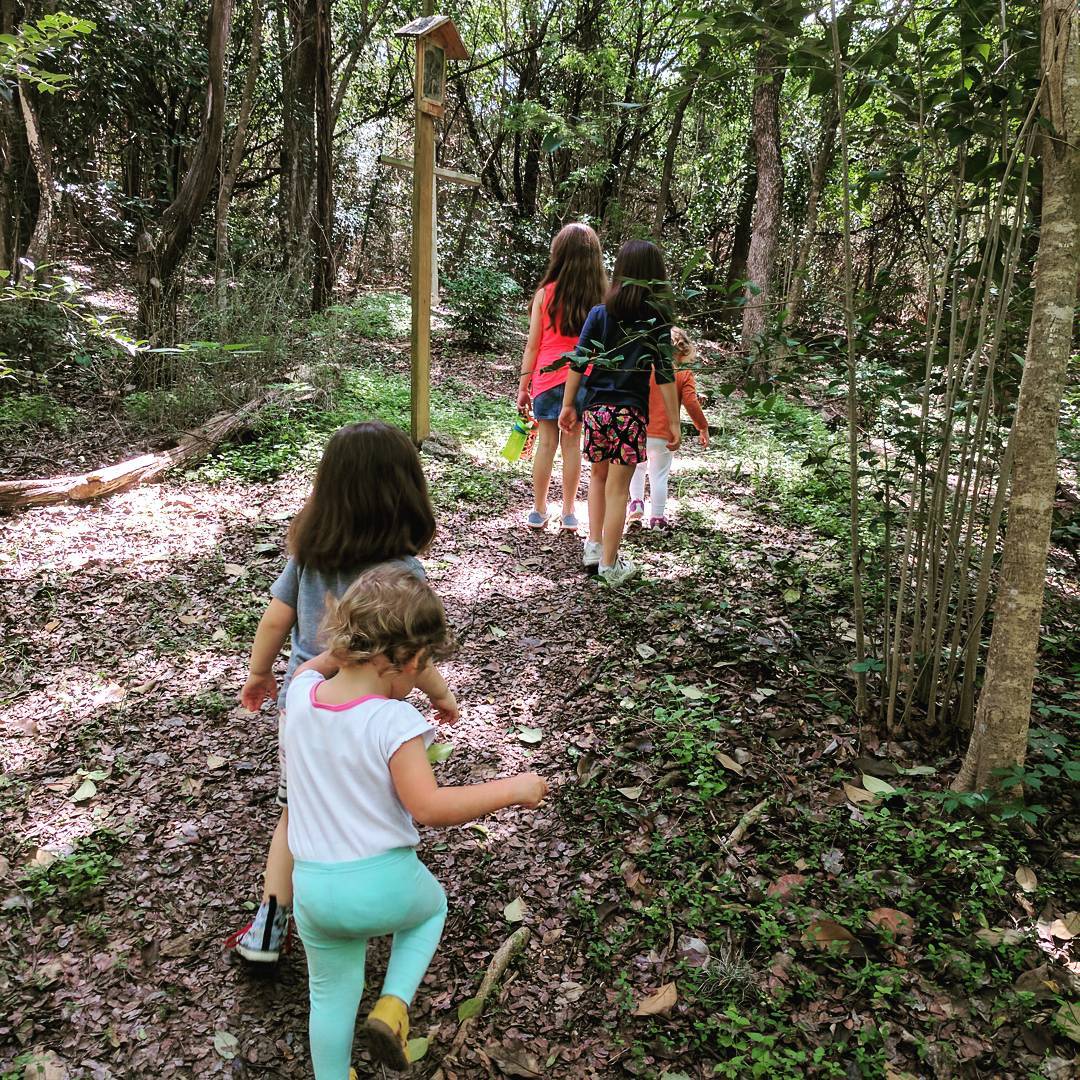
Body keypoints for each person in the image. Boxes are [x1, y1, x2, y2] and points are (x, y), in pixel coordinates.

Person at [285, 566, 548, 1076]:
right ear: (400, 660)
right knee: (430, 911)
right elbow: (428, 808)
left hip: (312, 888)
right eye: (420, 666)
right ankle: (394, 1005)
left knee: (331, 995)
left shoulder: (301, 694)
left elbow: (312, 668)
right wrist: (512, 790)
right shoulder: (394, 721)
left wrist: (349, 642)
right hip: (379, 880)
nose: (420, 677)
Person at [224, 421, 459, 965]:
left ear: (328, 489)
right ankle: (368, 890)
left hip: (305, 710)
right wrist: (441, 696)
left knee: (298, 813)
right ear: (405, 492)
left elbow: (276, 618)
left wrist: (260, 673)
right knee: (370, 802)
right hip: (368, 721)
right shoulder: (402, 571)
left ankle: (268, 926)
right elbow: (409, 655)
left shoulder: (310, 555)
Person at [558, 239, 681, 585]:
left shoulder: (600, 314)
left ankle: (593, 547)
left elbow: (578, 362)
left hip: (596, 410)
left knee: (597, 479)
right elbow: (666, 374)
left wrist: (569, 404)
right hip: (630, 414)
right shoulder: (656, 321)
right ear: (655, 278)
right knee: (618, 490)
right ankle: (610, 565)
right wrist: (673, 421)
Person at [515, 222, 608, 531]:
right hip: (584, 379)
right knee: (572, 446)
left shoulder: (545, 295)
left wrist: (523, 387)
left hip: (546, 378)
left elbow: (533, 346)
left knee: (545, 444)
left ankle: (538, 510)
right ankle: (569, 512)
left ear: (559, 255)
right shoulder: (600, 296)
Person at [627, 326, 710, 530]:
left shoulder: (645, 366)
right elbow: (691, 402)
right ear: (683, 351)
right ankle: (657, 518)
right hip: (665, 433)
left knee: (637, 467)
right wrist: (702, 426)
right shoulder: (683, 373)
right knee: (659, 475)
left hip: (639, 427)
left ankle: (636, 503)